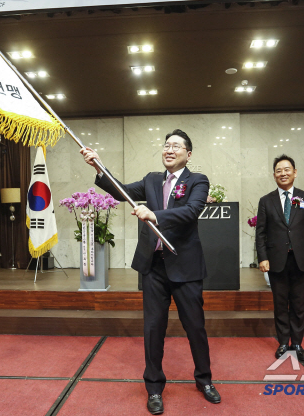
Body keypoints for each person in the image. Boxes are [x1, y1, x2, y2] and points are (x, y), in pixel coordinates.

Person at [81, 129, 219, 415]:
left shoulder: (198, 181)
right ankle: (154, 387)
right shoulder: (152, 180)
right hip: (154, 267)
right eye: (166, 145)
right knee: (153, 329)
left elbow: (192, 211)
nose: (169, 150)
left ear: (188, 154)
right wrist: (99, 166)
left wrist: (155, 214)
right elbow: (122, 193)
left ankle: (204, 380)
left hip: (185, 266)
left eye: (176, 146)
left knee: (195, 327)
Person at [256, 154, 304, 362]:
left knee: (298, 304)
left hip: (302, 259)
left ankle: (298, 343)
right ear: (274, 175)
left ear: (295, 172)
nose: (283, 173)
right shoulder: (266, 201)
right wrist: (263, 258)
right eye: (278, 170)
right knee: (280, 302)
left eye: (287, 169)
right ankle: (283, 342)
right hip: (276, 260)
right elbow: (261, 233)